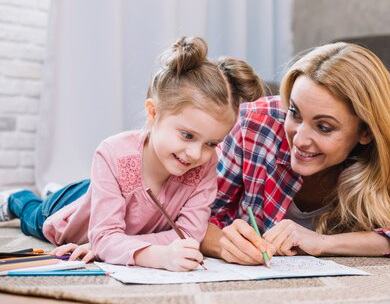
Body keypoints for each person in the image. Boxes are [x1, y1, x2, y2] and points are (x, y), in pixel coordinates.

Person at [0, 37, 264, 270]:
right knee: (34, 216)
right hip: (72, 210)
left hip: (109, 201)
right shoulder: (112, 153)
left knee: (94, 200)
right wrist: (156, 255)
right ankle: (17, 198)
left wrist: (116, 246)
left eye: (211, 144)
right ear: (153, 113)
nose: (196, 154)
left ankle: (65, 191)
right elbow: (105, 237)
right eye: (187, 135)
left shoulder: (205, 166)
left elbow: (189, 235)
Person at [200, 42, 390, 265]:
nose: (300, 140)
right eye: (295, 113)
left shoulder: (385, 158)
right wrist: (222, 244)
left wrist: (323, 243)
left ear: (366, 132)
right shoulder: (255, 124)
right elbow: (191, 213)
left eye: (324, 127)